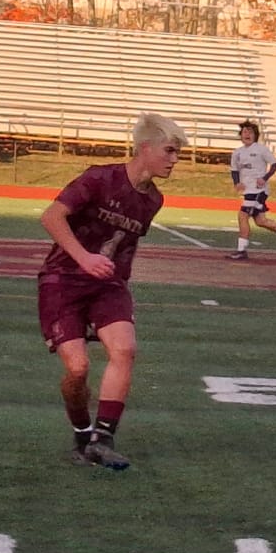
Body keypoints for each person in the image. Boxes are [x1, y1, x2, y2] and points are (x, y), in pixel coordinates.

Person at [38, 112, 186, 471]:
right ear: (145, 148)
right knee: (78, 369)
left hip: (108, 284)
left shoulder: (154, 200)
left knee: (125, 348)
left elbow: (123, 246)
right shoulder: (99, 177)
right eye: (168, 151)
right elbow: (51, 217)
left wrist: (113, 277)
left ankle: (104, 439)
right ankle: (81, 434)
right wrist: (84, 258)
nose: (174, 159)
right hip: (64, 277)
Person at [226, 120, 276, 259]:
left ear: (256, 135)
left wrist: (264, 178)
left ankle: (241, 250)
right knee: (261, 221)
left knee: (242, 215)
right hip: (248, 190)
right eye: (244, 132)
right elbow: (234, 170)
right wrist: (237, 183)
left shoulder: (261, 149)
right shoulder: (237, 153)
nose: (246, 134)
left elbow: (275, 165)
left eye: (250, 132)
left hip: (258, 190)